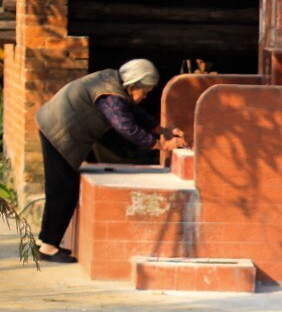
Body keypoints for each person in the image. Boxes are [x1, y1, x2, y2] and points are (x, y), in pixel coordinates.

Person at [35, 59, 187, 263]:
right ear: (133, 86)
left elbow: (133, 112)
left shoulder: (115, 81)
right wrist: (163, 145)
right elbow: (127, 127)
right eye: (146, 91)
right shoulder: (111, 95)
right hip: (58, 132)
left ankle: (45, 241)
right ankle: (48, 246)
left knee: (62, 188)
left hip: (55, 126)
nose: (145, 96)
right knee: (62, 189)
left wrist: (163, 130)